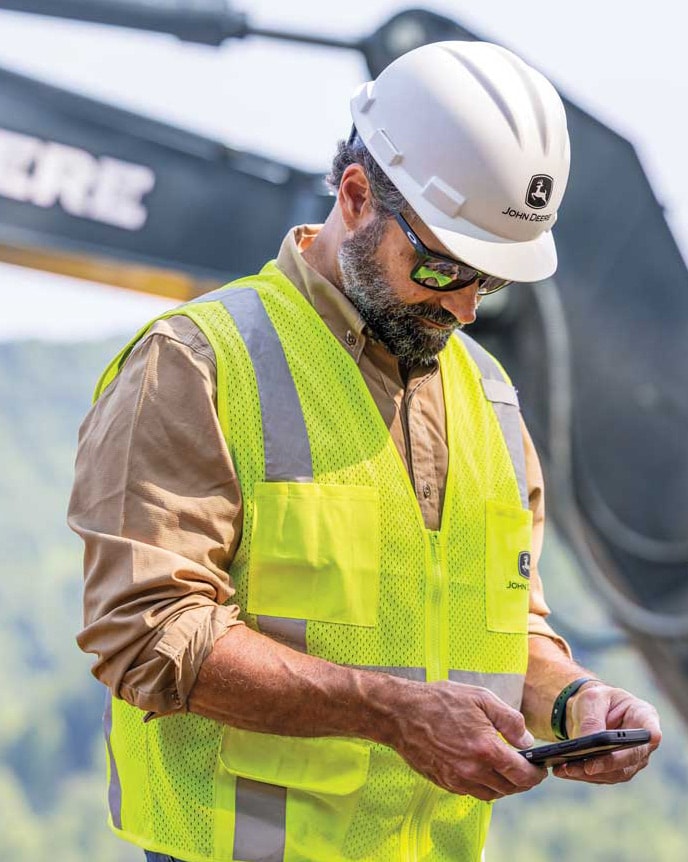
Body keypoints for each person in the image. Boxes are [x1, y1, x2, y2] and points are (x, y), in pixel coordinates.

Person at [68, 41, 661, 862]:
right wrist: (391, 712)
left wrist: (574, 703)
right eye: (442, 265)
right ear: (356, 196)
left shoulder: (488, 393)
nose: (463, 308)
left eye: (488, 280)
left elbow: (500, 629)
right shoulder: (198, 361)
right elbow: (148, 633)